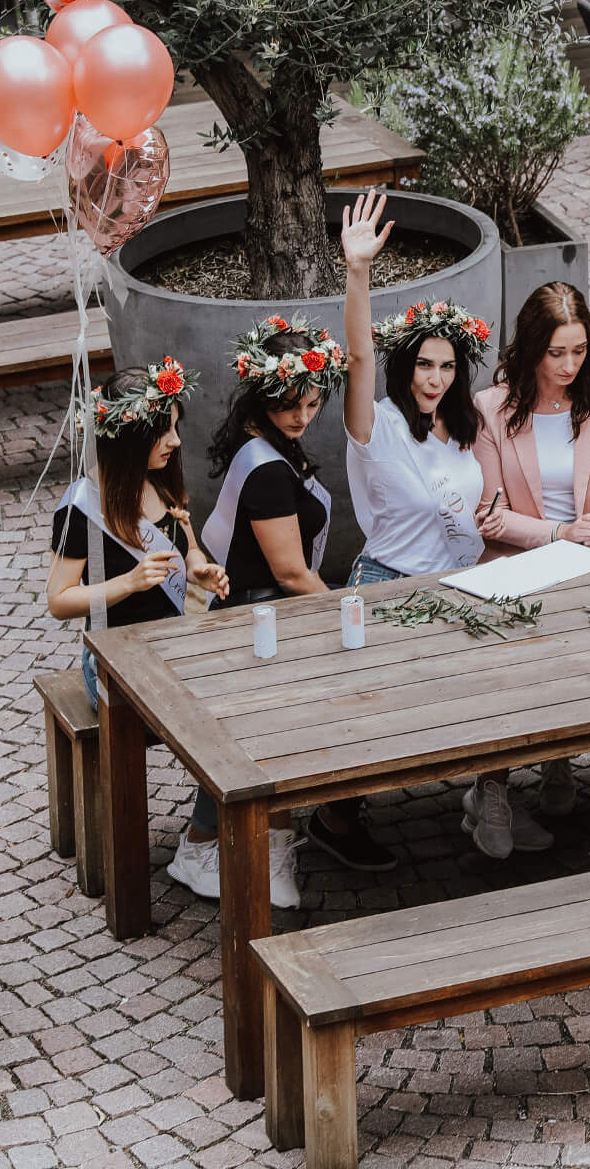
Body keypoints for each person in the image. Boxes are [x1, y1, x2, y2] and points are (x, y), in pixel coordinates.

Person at [340, 191, 547, 859]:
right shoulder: (380, 427)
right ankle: (332, 818)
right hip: (387, 586)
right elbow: (361, 355)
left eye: (447, 365)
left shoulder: (463, 430)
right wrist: (358, 272)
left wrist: (487, 519)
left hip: (454, 587)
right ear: (407, 365)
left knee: (513, 676)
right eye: (424, 364)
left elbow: (470, 510)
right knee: (379, 717)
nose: (434, 377)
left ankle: (492, 799)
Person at [202, 311, 398, 884]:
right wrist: (347, 609)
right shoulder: (265, 467)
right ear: (263, 395)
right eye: (291, 404)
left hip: (272, 607)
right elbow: (290, 573)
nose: (302, 417)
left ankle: (335, 814)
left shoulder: (268, 442)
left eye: (312, 405)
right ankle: (308, 829)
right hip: (258, 618)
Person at [472, 281, 590, 843]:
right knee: (523, 665)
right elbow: (490, 516)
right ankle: (492, 789)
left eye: (579, 351)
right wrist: (557, 531)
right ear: (531, 348)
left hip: (589, 559)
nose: (570, 365)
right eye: (557, 353)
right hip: (515, 563)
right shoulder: (492, 408)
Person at [45, 360, 241, 894]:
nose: (176, 440)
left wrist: (200, 567)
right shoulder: (82, 510)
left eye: (176, 426)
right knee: (211, 716)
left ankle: (204, 840)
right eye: (164, 430)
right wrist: (127, 583)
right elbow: (59, 600)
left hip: (174, 646)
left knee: (241, 699)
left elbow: (188, 548)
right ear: (130, 437)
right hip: (113, 659)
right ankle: (202, 843)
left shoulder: (161, 484)